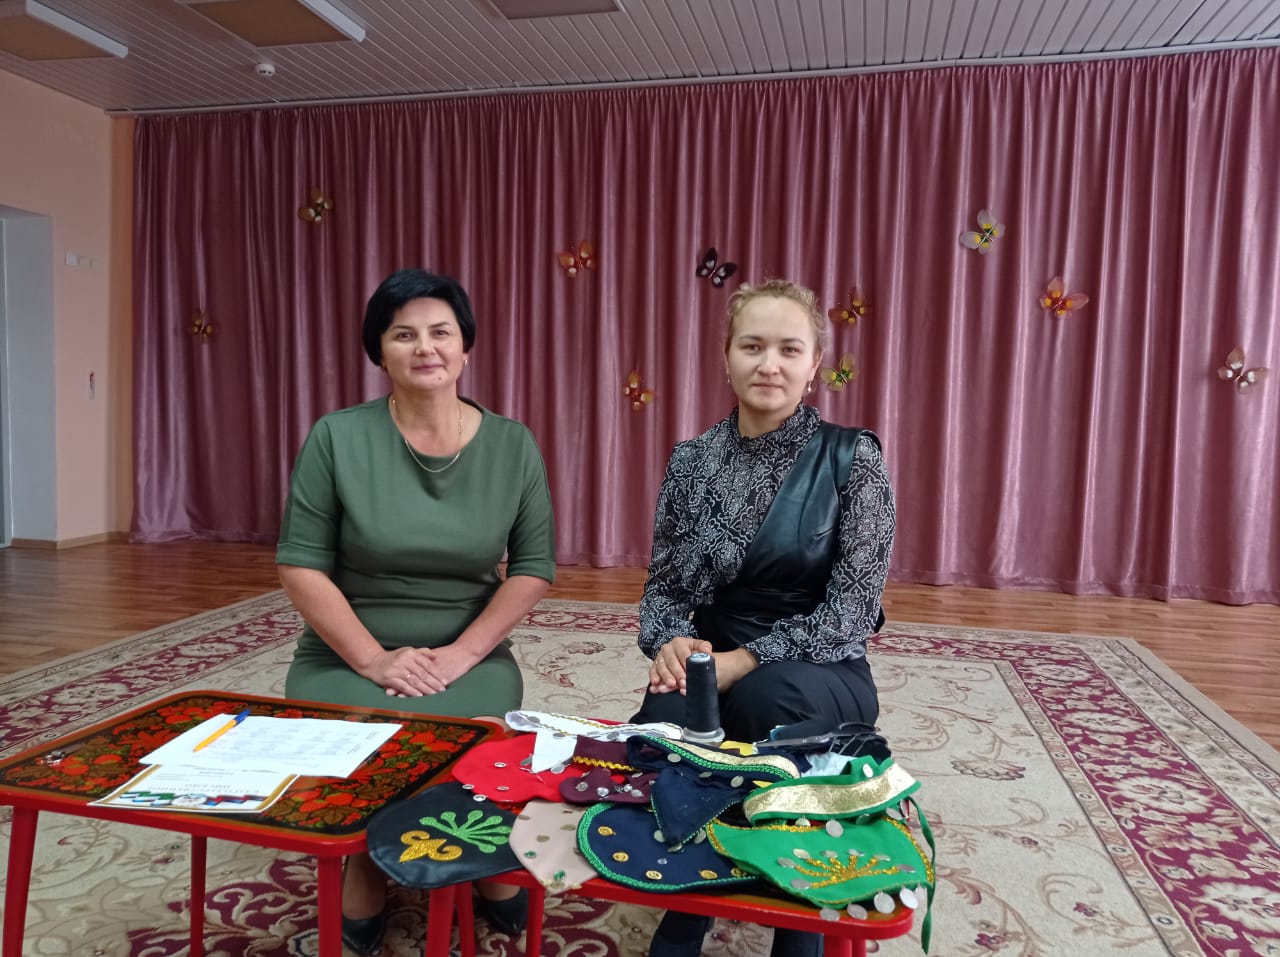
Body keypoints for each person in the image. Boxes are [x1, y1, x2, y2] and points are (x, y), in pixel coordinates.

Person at [276, 268, 555, 955]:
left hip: (468, 649)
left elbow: (533, 568)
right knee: (365, 735)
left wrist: (462, 654)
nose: (425, 347)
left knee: (466, 733)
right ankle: (366, 858)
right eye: (404, 334)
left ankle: (475, 842)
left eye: (441, 332)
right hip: (347, 651)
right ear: (379, 351)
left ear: (465, 348)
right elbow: (300, 564)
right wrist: (373, 660)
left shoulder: (512, 444)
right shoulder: (337, 437)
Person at [630, 278, 896, 957]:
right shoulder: (692, 461)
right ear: (726, 357)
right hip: (712, 654)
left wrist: (739, 662)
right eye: (752, 346)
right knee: (664, 717)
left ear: (815, 365)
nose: (768, 364)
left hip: (821, 665)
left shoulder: (853, 457)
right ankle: (693, 890)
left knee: (763, 703)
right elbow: (664, 589)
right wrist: (670, 642)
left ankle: (796, 910)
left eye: (788, 349)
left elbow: (853, 610)